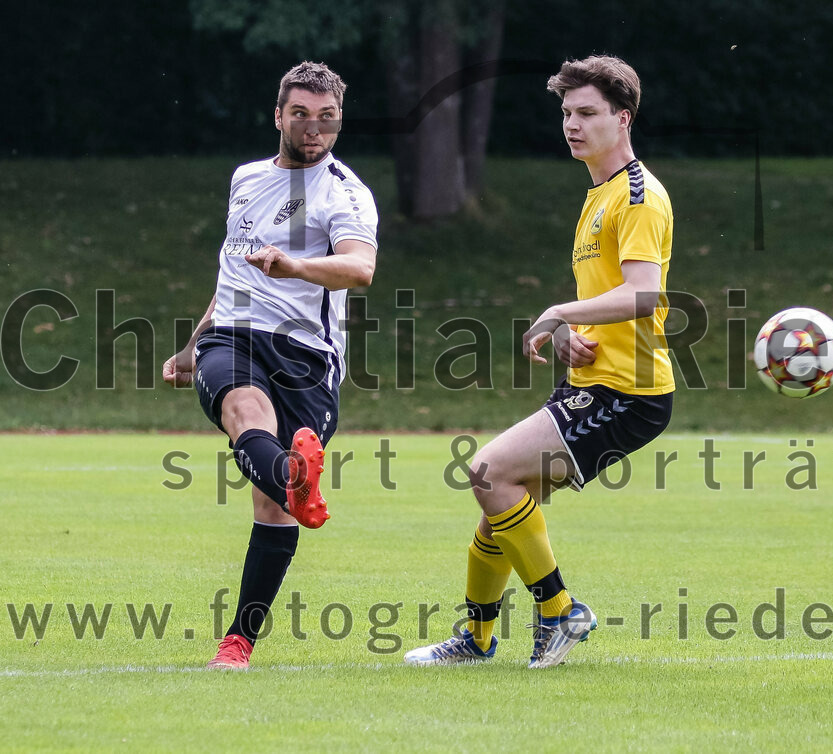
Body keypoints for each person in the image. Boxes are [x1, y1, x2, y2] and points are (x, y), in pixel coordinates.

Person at [405, 55, 674, 669]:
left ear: (622, 118)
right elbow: (608, 299)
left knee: (487, 473)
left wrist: (556, 310)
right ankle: (475, 639)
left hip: (627, 392)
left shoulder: (636, 194)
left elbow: (645, 293)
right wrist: (570, 331)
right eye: (565, 113)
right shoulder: (598, 194)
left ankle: (559, 611)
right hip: (593, 379)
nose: (571, 125)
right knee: (502, 503)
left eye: (586, 113)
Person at [162, 61, 378, 669]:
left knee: (272, 507)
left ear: (339, 121)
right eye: (302, 114)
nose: (315, 128)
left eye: (327, 118)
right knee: (242, 408)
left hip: (308, 355)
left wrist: (297, 266)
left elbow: (360, 268)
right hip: (234, 337)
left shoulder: (345, 192)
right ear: (278, 115)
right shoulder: (246, 179)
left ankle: (241, 639)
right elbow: (230, 271)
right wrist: (192, 342)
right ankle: (289, 472)